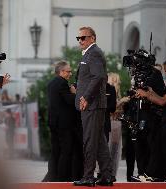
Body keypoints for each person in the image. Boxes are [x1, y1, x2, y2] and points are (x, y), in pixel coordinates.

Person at [73, 26, 113, 187]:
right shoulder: (90, 53)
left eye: (83, 37)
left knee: (90, 140)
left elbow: (98, 77)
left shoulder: (94, 52)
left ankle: (88, 176)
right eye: (79, 38)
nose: (80, 41)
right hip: (92, 104)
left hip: (91, 104)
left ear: (93, 38)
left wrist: (86, 97)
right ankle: (107, 175)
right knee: (100, 141)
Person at [46, 61, 82, 182]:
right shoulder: (62, 83)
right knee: (66, 150)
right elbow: (70, 101)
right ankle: (62, 178)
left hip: (53, 122)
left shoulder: (51, 83)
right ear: (61, 71)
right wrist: (75, 93)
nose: (70, 73)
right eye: (68, 71)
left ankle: (52, 175)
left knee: (55, 150)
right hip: (63, 124)